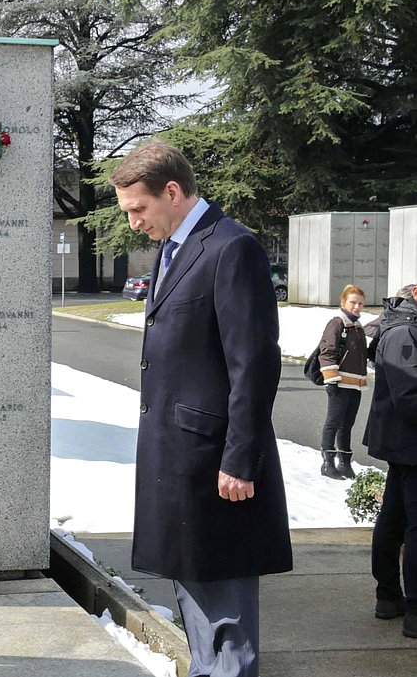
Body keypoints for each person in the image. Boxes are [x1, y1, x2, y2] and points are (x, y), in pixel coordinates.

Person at [114, 140, 292, 677]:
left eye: (138, 210)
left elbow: (254, 364)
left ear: (172, 192)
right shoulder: (173, 250)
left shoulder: (231, 248)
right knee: (195, 601)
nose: (133, 224)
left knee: (226, 614)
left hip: (218, 465)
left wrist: (241, 459)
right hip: (180, 463)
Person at [363, 284, 417, 638]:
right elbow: (409, 393)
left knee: (395, 519)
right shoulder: (403, 331)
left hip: (405, 445)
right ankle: (409, 607)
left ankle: (390, 597)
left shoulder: (405, 326)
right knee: (407, 525)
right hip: (409, 444)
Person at [317, 284, 375, 479]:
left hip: (355, 384)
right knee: (333, 422)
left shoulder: (357, 326)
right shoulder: (337, 323)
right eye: (353, 302)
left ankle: (344, 463)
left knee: (347, 425)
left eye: (360, 303)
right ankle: (327, 464)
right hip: (339, 382)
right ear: (343, 302)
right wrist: (331, 380)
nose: (357, 307)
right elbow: (327, 351)